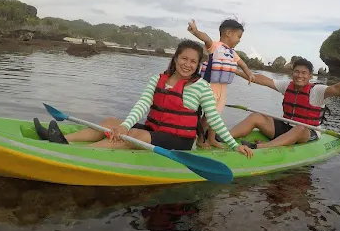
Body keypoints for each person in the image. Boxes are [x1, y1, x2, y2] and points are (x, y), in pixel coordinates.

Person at [33, 40, 254, 158]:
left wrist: (234, 145)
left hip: (179, 141)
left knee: (135, 134)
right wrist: (124, 125)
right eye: (184, 59)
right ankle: (63, 140)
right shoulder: (157, 79)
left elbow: (213, 119)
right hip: (155, 131)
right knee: (111, 121)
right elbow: (141, 105)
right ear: (175, 59)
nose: (187, 64)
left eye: (193, 62)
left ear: (198, 65)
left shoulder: (201, 87)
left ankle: (78, 154)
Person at [226, 57, 340, 149]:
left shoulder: (317, 91)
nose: (299, 75)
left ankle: (263, 147)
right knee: (256, 116)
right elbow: (263, 80)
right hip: (286, 128)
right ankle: (225, 137)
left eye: (303, 73)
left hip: (307, 132)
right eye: (296, 72)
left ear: (309, 75)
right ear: (292, 73)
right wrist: (236, 71)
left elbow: (338, 88)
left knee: (300, 127)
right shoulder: (287, 86)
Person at [187, 17, 256, 148]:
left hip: (222, 88)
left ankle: (212, 138)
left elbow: (242, 64)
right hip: (210, 87)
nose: (239, 40)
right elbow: (205, 38)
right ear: (228, 33)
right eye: (238, 36)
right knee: (208, 115)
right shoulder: (214, 46)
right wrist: (196, 31)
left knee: (217, 114)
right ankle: (201, 139)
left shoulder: (232, 53)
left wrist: (249, 74)